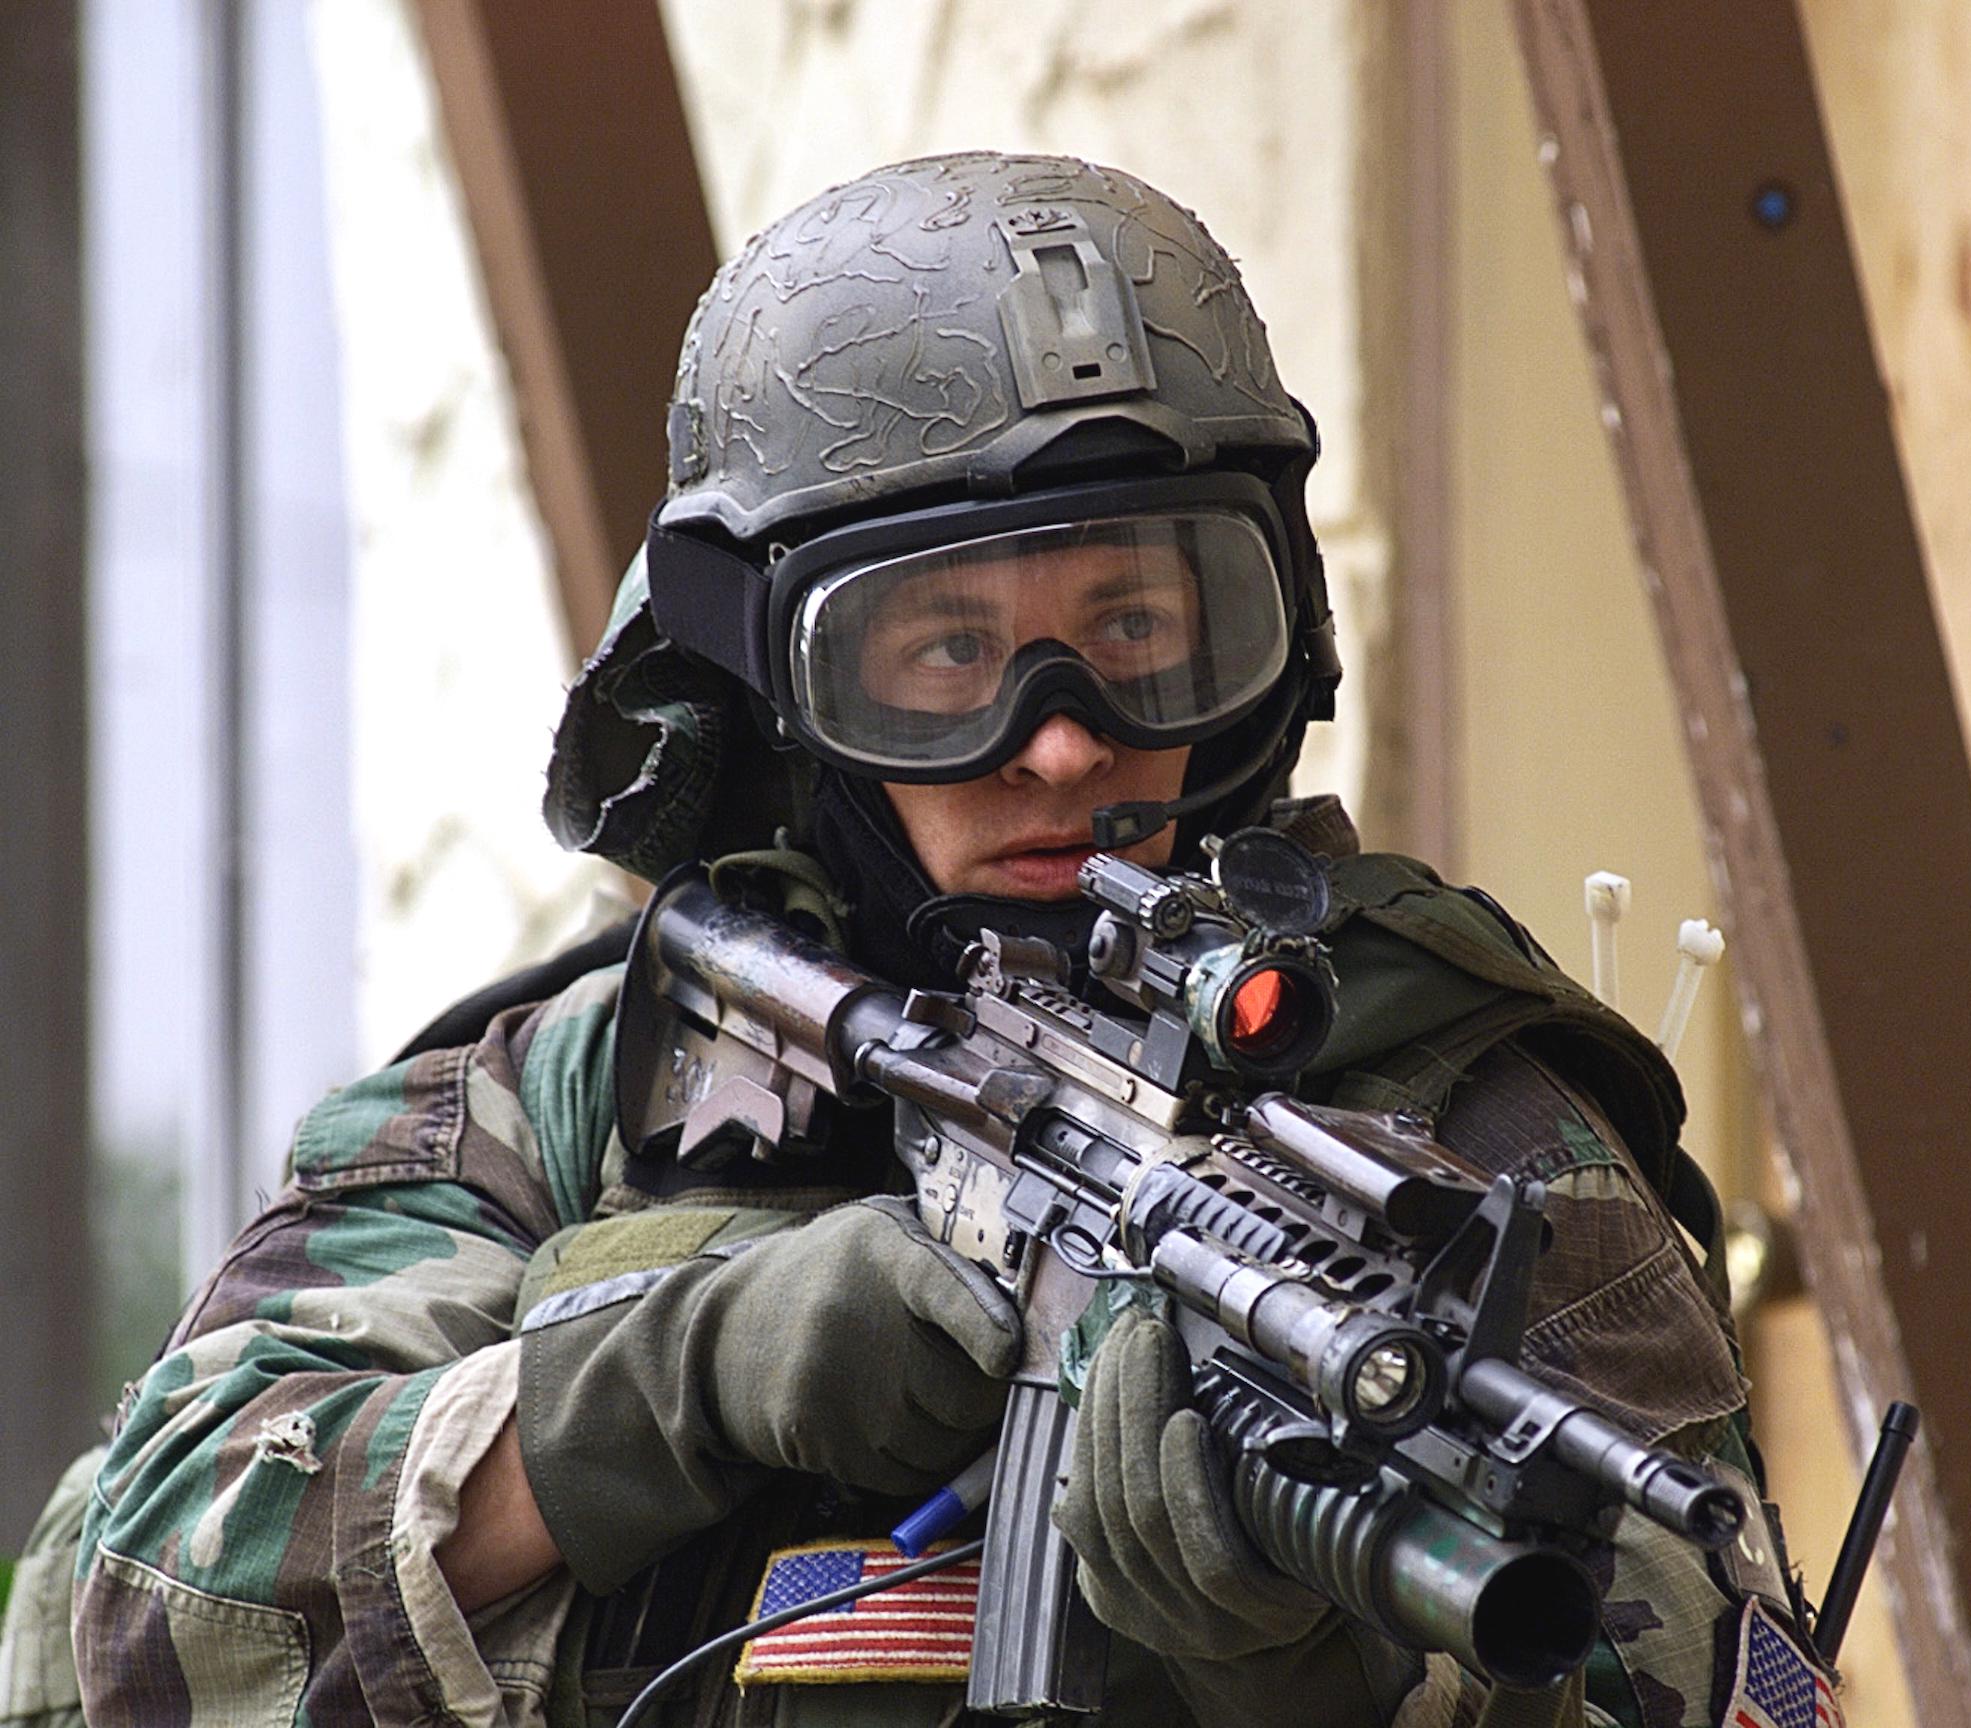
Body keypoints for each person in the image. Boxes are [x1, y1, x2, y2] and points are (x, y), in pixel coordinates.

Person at [2, 152, 1828, 1728]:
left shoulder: (1460, 1121)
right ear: (780, 696)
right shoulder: (581, 1096)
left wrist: (1313, 1662)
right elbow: (128, 1624)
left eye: (1139, 631)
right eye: (948, 655)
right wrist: (670, 1379)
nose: (1065, 742)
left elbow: (1718, 1666)